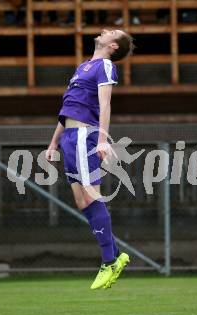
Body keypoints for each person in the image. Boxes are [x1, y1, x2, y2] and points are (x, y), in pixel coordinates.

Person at [45, 29, 134, 290]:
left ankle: (109, 260)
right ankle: (116, 255)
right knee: (81, 199)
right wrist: (53, 142)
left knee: (91, 196)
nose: (105, 30)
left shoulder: (105, 65)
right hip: (69, 137)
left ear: (114, 46)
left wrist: (102, 139)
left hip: (85, 136)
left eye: (112, 32)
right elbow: (67, 110)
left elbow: (105, 104)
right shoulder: (84, 66)